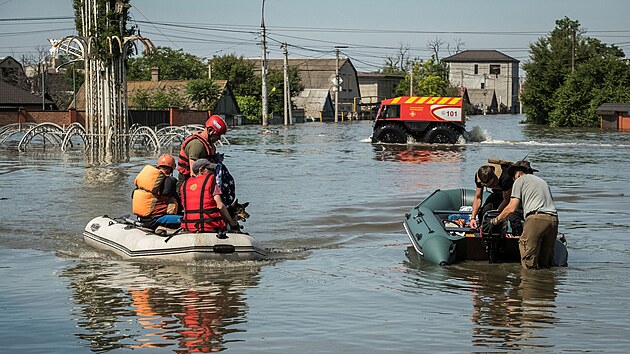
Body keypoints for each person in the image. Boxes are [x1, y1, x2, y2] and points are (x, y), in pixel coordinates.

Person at [487, 160, 559, 269]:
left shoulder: (520, 181)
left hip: (536, 219)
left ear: (518, 173)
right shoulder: (542, 182)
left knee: (528, 263)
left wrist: (495, 220)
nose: (513, 179)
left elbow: (512, 208)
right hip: (553, 221)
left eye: (513, 176)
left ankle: (528, 284)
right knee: (546, 264)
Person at [180, 158, 240, 233]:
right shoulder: (211, 182)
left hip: (190, 226)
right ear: (201, 170)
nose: (212, 172)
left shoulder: (185, 185)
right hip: (210, 225)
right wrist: (232, 222)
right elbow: (220, 206)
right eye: (210, 169)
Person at [469, 159, 524, 235]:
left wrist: (496, 215)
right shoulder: (479, 177)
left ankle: (516, 235)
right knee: (485, 210)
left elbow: (506, 200)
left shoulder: (505, 177)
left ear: (493, 178)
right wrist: (473, 218)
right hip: (498, 192)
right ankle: (484, 233)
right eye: (484, 185)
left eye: (489, 184)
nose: (487, 186)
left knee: (514, 216)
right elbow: (478, 198)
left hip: (513, 194)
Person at [176, 114, 228, 191]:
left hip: (203, 181)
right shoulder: (197, 145)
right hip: (187, 184)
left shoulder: (210, 145)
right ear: (210, 131)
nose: (219, 138)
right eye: (218, 135)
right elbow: (193, 173)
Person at [132, 154, 182, 229]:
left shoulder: (147, 179)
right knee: (188, 220)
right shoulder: (170, 181)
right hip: (155, 219)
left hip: (141, 218)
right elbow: (178, 200)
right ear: (172, 168)